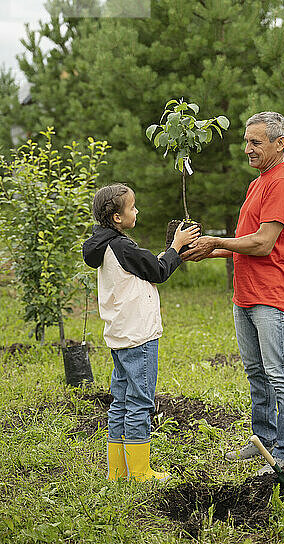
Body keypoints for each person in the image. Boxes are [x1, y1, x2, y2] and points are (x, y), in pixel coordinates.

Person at [182, 112, 284, 474]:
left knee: (279, 373)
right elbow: (245, 242)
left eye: (256, 142)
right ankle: (263, 442)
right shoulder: (259, 182)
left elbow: (264, 244)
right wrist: (209, 250)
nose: (247, 149)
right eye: (246, 141)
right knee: (256, 372)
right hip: (246, 294)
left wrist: (217, 240)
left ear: (279, 143)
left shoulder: (283, 182)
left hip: (272, 294)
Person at [82, 183, 199, 482]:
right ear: (117, 218)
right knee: (140, 402)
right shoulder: (123, 247)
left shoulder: (104, 245)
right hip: (139, 337)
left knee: (120, 402)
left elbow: (148, 267)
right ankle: (140, 471)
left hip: (121, 336)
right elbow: (159, 271)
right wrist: (176, 245)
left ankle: (118, 471)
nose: (137, 211)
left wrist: (166, 254)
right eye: (132, 207)